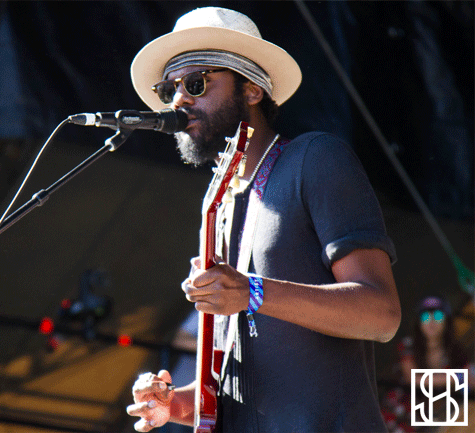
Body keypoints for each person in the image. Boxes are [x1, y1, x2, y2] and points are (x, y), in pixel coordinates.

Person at [125, 7, 401, 433]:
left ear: (252, 89)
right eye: (169, 90)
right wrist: (177, 404)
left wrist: (252, 292)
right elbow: (250, 381)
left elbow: (381, 314)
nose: (179, 100)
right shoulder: (216, 206)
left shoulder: (314, 158)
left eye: (196, 83)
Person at [381, 295, 473, 432]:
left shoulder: (455, 352)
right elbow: (412, 379)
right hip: (392, 416)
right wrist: (459, 376)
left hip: (425, 422)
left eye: (438, 316)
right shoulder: (408, 345)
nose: (431, 321)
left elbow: (470, 379)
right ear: (419, 322)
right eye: (425, 317)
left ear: (447, 321)